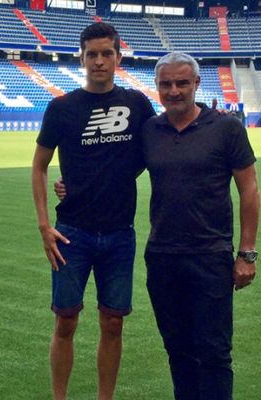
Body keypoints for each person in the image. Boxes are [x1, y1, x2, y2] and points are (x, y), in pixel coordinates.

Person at [31, 22, 156, 400]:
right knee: (65, 320)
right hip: (71, 233)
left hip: (119, 233)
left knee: (113, 322)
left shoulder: (136, 104)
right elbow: (38, 166)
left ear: (118, 56)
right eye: (92, 55)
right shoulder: (62, 108)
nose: (99, 61)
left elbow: (151, 155)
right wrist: (44, 226)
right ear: (81, 59)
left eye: (107, 54)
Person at [142, 52, 260, 400]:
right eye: (166, 84)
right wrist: (70, 186)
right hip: (162, 257)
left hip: (210, 257)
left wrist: (247, 254)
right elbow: (117, 174)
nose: (174, 90)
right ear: (158, 87)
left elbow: (249, 189)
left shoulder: (226, 128)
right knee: (178, 351)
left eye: (182, 83)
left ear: (196, 84)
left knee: (214, 353)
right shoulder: (150, 130)